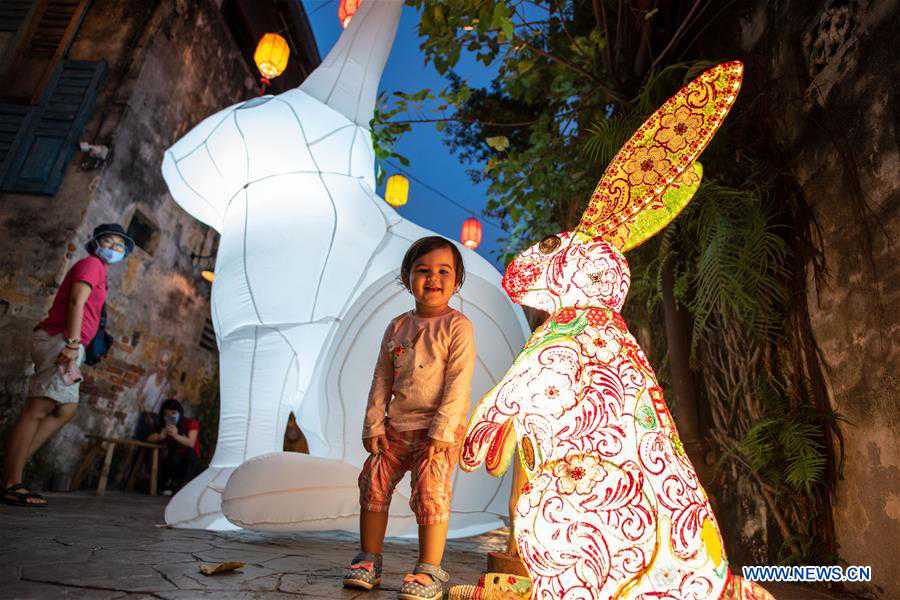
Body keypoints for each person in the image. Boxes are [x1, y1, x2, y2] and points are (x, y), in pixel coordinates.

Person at [342, 236, 476, 600]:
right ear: (407, 278)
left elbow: (458, 383)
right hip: (394, 429)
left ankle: (428, 570)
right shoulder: (397, 326)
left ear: (457, 280)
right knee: (373, 482)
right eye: (422, 271)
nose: (433, 278)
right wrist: (373, 424)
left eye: (443, 271)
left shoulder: (458, 327)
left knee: (431, 492)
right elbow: (382, 378)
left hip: (437, 434)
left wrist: (443, 430)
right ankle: (369, 559)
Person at [2, 223, 133, 507]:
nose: (113, 249)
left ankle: (11, 474)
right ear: (96, 244)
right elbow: (76, 301)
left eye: (120, 246)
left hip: (70, 342)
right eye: (108, 242)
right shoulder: (92, 264)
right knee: (39, 408)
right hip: (61, 339)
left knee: (66, 408)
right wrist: (73, 344)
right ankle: (11, 482)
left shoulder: (101, 271)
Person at [146, 398, 201, 495]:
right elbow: (148, 438)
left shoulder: (190, 423)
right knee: (167, 455)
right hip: (171, 458)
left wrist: (176, 435)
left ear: (180, 413)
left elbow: (191, 443)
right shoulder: (163, 424)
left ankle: (182, 486)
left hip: (189, 459)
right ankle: (166, 485)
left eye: (174, 413)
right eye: (167, 414)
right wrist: (160, 436)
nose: (170, 416)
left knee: (188, 453)